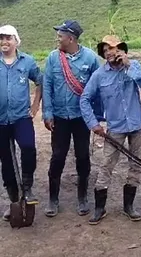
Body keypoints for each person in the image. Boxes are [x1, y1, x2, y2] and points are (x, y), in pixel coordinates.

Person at [80, 35, 141, 225]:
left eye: (111, 48)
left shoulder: (133, 65)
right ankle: (99, 209)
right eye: (105, 50)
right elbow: (84, 99)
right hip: (115, 128)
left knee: (135, 166)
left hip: (137, 125)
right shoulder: (99, 75)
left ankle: (129, 207)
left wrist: (129, 67)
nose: (108, 53)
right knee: (106, 166)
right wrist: (93, 123)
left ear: (121, 49)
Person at [43, 20, 101, 218]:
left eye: (60, 36)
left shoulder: (91, 58)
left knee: (83, 156)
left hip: (81, 117)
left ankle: (83, 197)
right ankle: (53, 199)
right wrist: (47, 113)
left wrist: (96, 117)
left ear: (71, 38)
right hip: (60, 117)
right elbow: (47, 86)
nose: (57, 39)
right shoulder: (52, 58)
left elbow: (97, 89)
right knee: (58, 156)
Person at [0, 25, 42, 221]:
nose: (4, 42)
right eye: (1, 39)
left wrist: (34, 106)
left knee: (28, 148)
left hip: (21, 118)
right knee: (6, 161)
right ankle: (14, 201)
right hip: (1, 121)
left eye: (8, 38)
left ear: (16, 41)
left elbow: (40, 81)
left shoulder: (27, 62)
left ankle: (27, 187)